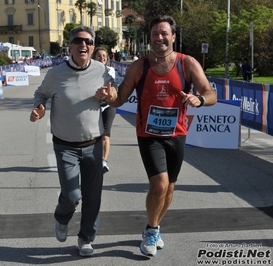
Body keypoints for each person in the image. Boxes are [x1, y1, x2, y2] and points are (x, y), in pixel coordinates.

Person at [97, 15, 217, 257]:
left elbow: (210, 93)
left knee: (170, 188)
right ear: (150, 38)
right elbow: (119, 98)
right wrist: (108, 96)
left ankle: (155, 227)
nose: (159, 38)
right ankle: (151, 231)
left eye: (164, 33)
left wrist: (199, 99)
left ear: (173, 36)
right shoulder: (139, 66)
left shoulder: (187, 63)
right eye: (155, 34)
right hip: (148, 135)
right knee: (159, 184)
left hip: (177, 134)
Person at [30, 25, 115, 257]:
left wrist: (109, 95)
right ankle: (62, 217)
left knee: (93, 197)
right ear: (70, 46)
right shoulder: (56, 74)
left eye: (88, 41)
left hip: (94, 144)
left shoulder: (102, 70)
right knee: (73, 195)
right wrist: (38, 108)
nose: (83, 45)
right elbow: (41, 94)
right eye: (78, 41)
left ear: (93, 46)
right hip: (65, 145)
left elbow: (114, 94)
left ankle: (86, 238)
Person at [92, 47, 116, 173]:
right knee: (94, 135)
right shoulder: (88, 71)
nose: (102, 58)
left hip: (108, 105)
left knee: (105, 134)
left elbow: (114, 87)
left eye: (104, 56)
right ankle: (91, 159)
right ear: (94, 58)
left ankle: (103, 161)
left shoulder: (110, 70)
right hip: (93, 106)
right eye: (99, 56)